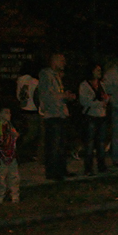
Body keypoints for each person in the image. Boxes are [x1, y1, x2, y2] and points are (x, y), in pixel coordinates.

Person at [38, 53, 76, 181]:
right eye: (62, 60)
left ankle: (61, 169)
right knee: (53, 145)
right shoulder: (46, 75)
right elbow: (47, 95)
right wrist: (63, 96)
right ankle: (52, 172)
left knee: (61, 145)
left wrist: (66, 97)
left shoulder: (57, 76)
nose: (64, 63)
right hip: (52, 114)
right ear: (54, 61)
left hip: (60, 113)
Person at [79, 63, 110, 175]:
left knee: (101, 143)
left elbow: (106, 98)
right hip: (91, 117)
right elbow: (84, 101)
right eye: (97, 70)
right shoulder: (84, 85)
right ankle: (88, 168)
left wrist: (106, 100)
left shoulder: (102, 85)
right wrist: (99, 103)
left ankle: (101, 165)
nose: (99, 72)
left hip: (101, 116)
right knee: (90, 143)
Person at [15, 60, 43, 162]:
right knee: (33, 134)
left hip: (23, 109)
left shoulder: (20, 80)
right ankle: (24, 152)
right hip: (32, 110)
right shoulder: (35, 82)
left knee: (27, 132)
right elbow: (37, 97)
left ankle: (22, 152)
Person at [0, 106, 20, 204]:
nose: (9, 115)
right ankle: (1, 195)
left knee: (14, 175)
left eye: (9, 113)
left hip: (11, 154)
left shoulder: (11, 126)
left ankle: (14, 195)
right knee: (1, 176)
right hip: (1, 155)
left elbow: (15, 136)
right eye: (6, 112)